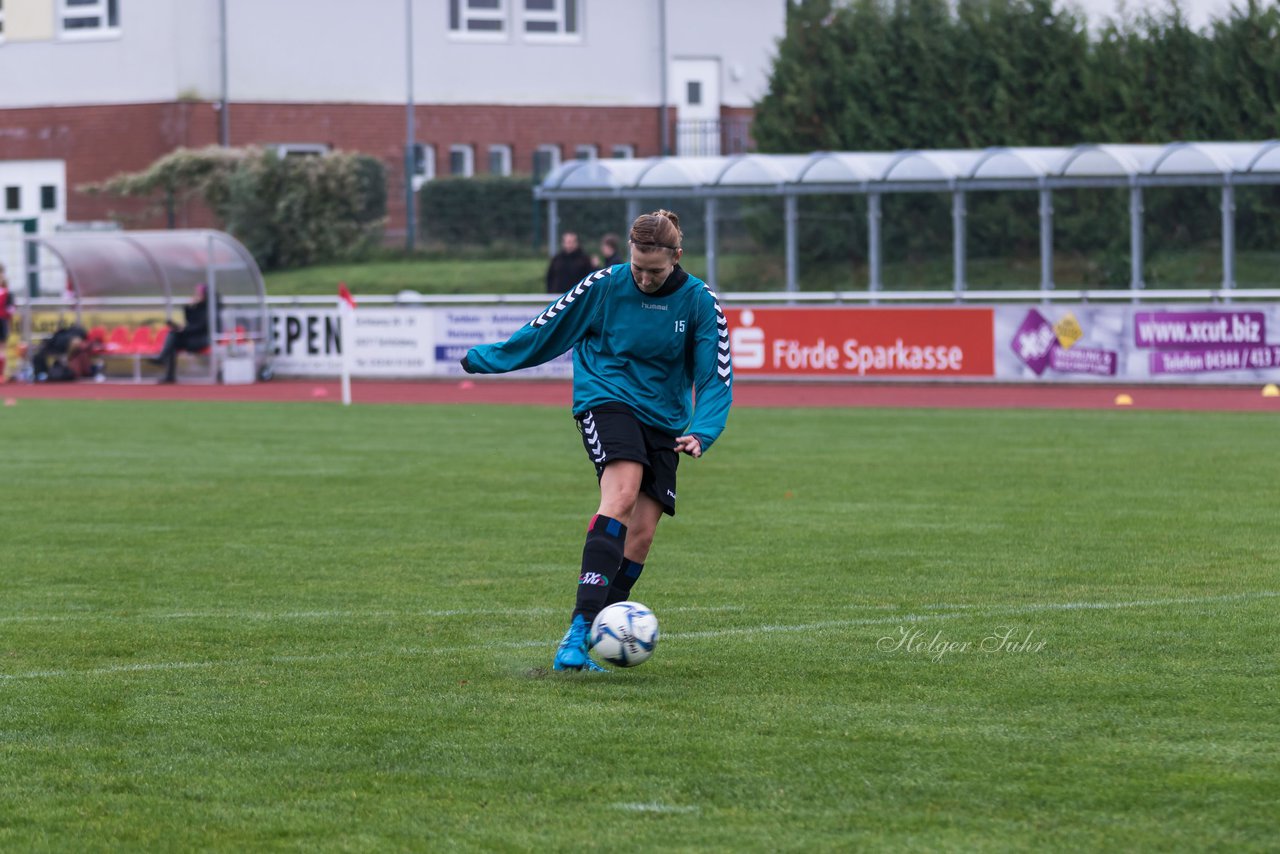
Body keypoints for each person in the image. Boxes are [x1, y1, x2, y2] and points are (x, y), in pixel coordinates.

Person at [462, 210, 733, 672]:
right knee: (622, 494)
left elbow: (715, 374)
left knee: (642, 536)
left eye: (656, 271)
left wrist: (703, 430)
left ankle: (592, 635)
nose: (645, 279)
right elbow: (548, 329)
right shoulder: (604, 284)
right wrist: (488, 358)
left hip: (665, 418)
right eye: (638, 268)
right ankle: (576, 632)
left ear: (677, 258)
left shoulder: (699, 301)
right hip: (605, 396)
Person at [151, 284, 210, 383]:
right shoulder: (197, 307)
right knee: (173, 336)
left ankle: (162, 358)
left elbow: (201, 327)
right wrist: (188, 307)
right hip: (191, 338)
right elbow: (189, 320)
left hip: (201, 340)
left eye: (199, 293)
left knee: (173, 336)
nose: (196, 295)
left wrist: (184, 330)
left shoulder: (209, 309)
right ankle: (169, 376)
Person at [0, 263, 12, 381]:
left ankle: (1, 374)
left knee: (2, 348)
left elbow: (10, 310)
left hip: (2, 321)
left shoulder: (7, 293)